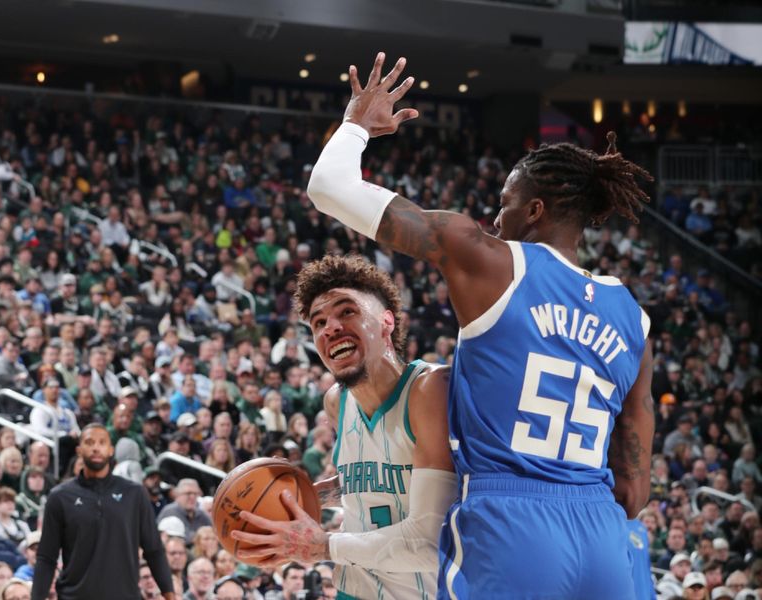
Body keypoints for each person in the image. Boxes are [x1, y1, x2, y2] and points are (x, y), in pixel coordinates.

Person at [305, 52, 654, 598]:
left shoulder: (489, 260)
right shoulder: (633, 314)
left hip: (512, 524)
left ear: (534, 210)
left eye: (504, 203)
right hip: (605, 539)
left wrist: (356, 125)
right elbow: (634, 489)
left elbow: (328, 187)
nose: (495, 218)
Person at [232, 255, 456, 599]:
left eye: (347, 311)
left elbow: (429, 541)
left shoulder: (429, 390)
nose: (330, 327)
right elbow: (366, 480)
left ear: (386, 322)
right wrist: (301, 501)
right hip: (352, 589)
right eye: (318, 322)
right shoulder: (337, 402)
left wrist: (322, 547)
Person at [31, 423, 174, 600]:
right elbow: (46, 558)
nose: (96, 448)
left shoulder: (134, 493)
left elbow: (154, 550)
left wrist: (170, 595)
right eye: (89, 442)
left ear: (111, 450)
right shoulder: (60, 497)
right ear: (79, 450)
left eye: (101, 442)